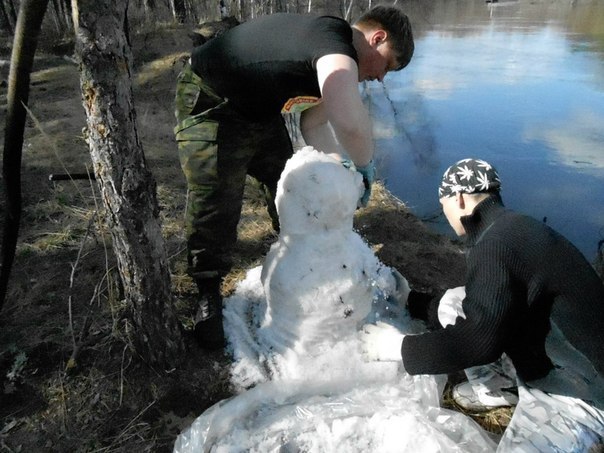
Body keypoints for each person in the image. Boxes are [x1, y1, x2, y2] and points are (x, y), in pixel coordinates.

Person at [173, 6, 414, 350]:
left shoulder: (329, 59)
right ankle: (207, 290)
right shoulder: (332, 43)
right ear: (377, 38)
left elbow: (313, 124)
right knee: (217, 201)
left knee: (289, 186)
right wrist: (364, 163)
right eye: (388, 65)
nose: (380, 78)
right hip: (213, 103)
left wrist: (341, 169)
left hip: (259, 112)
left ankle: (303, 258)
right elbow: (350, 122)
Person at [360, 158, 604, 451]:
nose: (445, 216)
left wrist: (398, 347)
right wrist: (411, 299)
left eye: (444, 206)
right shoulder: (513, 227)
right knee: (454, 301)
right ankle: (498, 390)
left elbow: (477, 342)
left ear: (459, 199)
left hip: (581, 391)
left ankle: (571, 419)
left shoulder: (494, 247)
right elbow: (485, 307)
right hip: (557, 357)